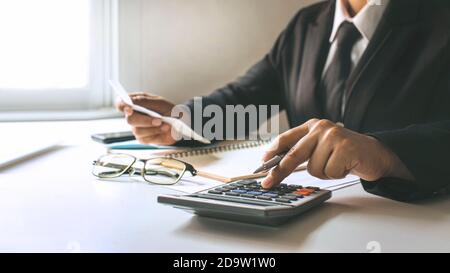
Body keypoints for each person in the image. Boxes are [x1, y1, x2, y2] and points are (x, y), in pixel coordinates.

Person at [117, 0, 450, 201]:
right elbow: (247, 100)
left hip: (408, 223)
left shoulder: (439, 18)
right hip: (304, 217)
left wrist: (386, 154)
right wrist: (182, 121)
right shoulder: (307, 24)